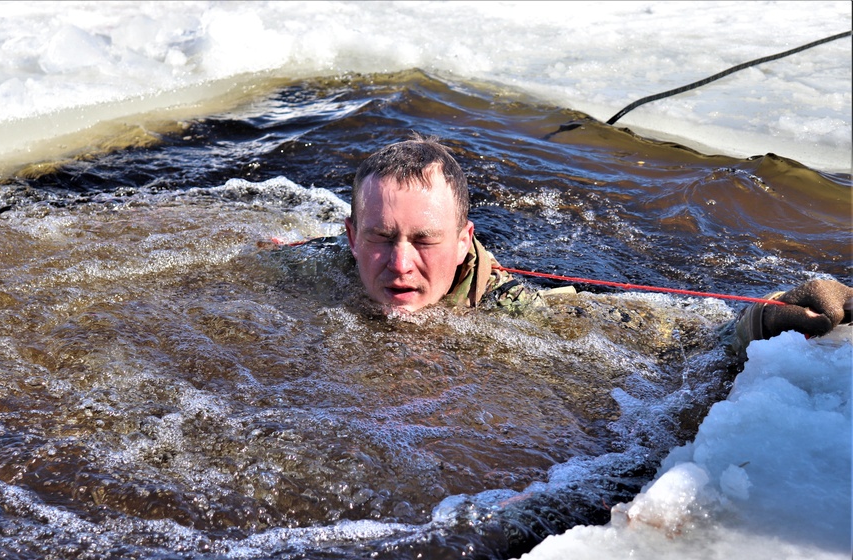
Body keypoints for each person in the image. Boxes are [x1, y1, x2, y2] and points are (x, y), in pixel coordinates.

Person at [344, 137, 852, 361]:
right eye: (381, 238)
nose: (400, 264)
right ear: (351, 236)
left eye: (425, 240)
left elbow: (661, 341)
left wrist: (764, 319)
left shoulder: (515, 308)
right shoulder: (319, 263)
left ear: (462, 242)